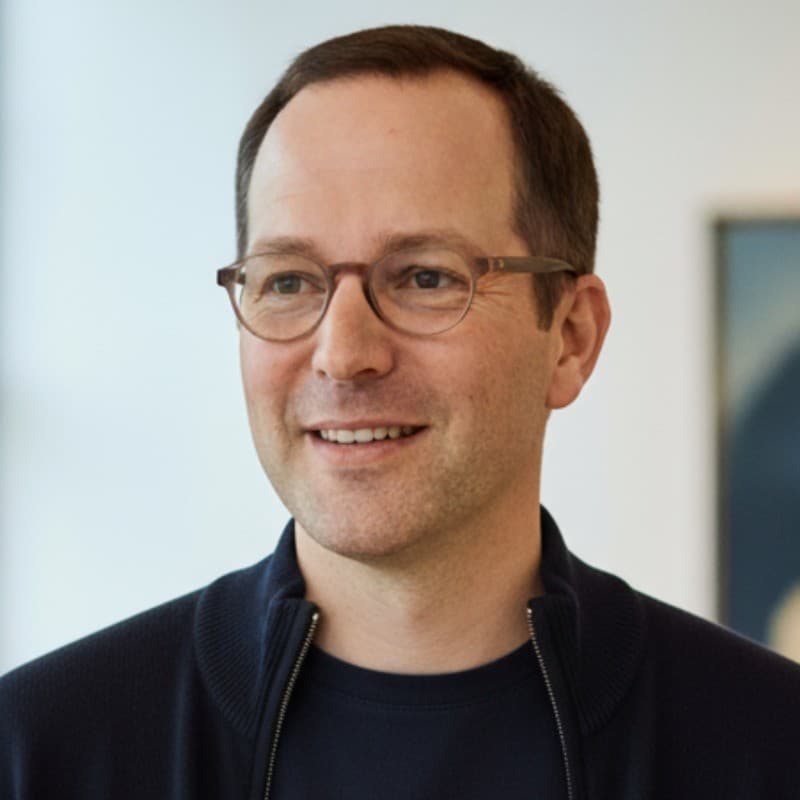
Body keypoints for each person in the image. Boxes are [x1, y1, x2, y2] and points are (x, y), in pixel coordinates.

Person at [1, 24, 799, 800]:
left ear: (570, 338)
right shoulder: (38, 752)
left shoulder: (770, 746)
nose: (343, 353)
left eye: (424, 277)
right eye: (287, 281)